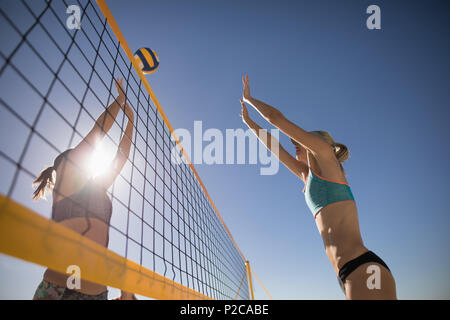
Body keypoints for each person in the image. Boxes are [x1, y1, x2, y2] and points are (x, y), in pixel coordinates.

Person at [240, 75, 396, 299]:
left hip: (364, 267)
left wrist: (249, 98)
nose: (294, 145)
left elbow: (275, 118)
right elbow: (273, 146)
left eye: (298, 142)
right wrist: (249, 123)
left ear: (313, 143)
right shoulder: (307, 176)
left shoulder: (326, 157)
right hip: (346, 272)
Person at [32, 78, 137, 300]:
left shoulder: (94, 188)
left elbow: (121, 157)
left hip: (94, 293)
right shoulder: (66, 187)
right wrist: (119, 101)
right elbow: (97, 132)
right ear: (65, 164)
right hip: (60, 290)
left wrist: (131, 121)